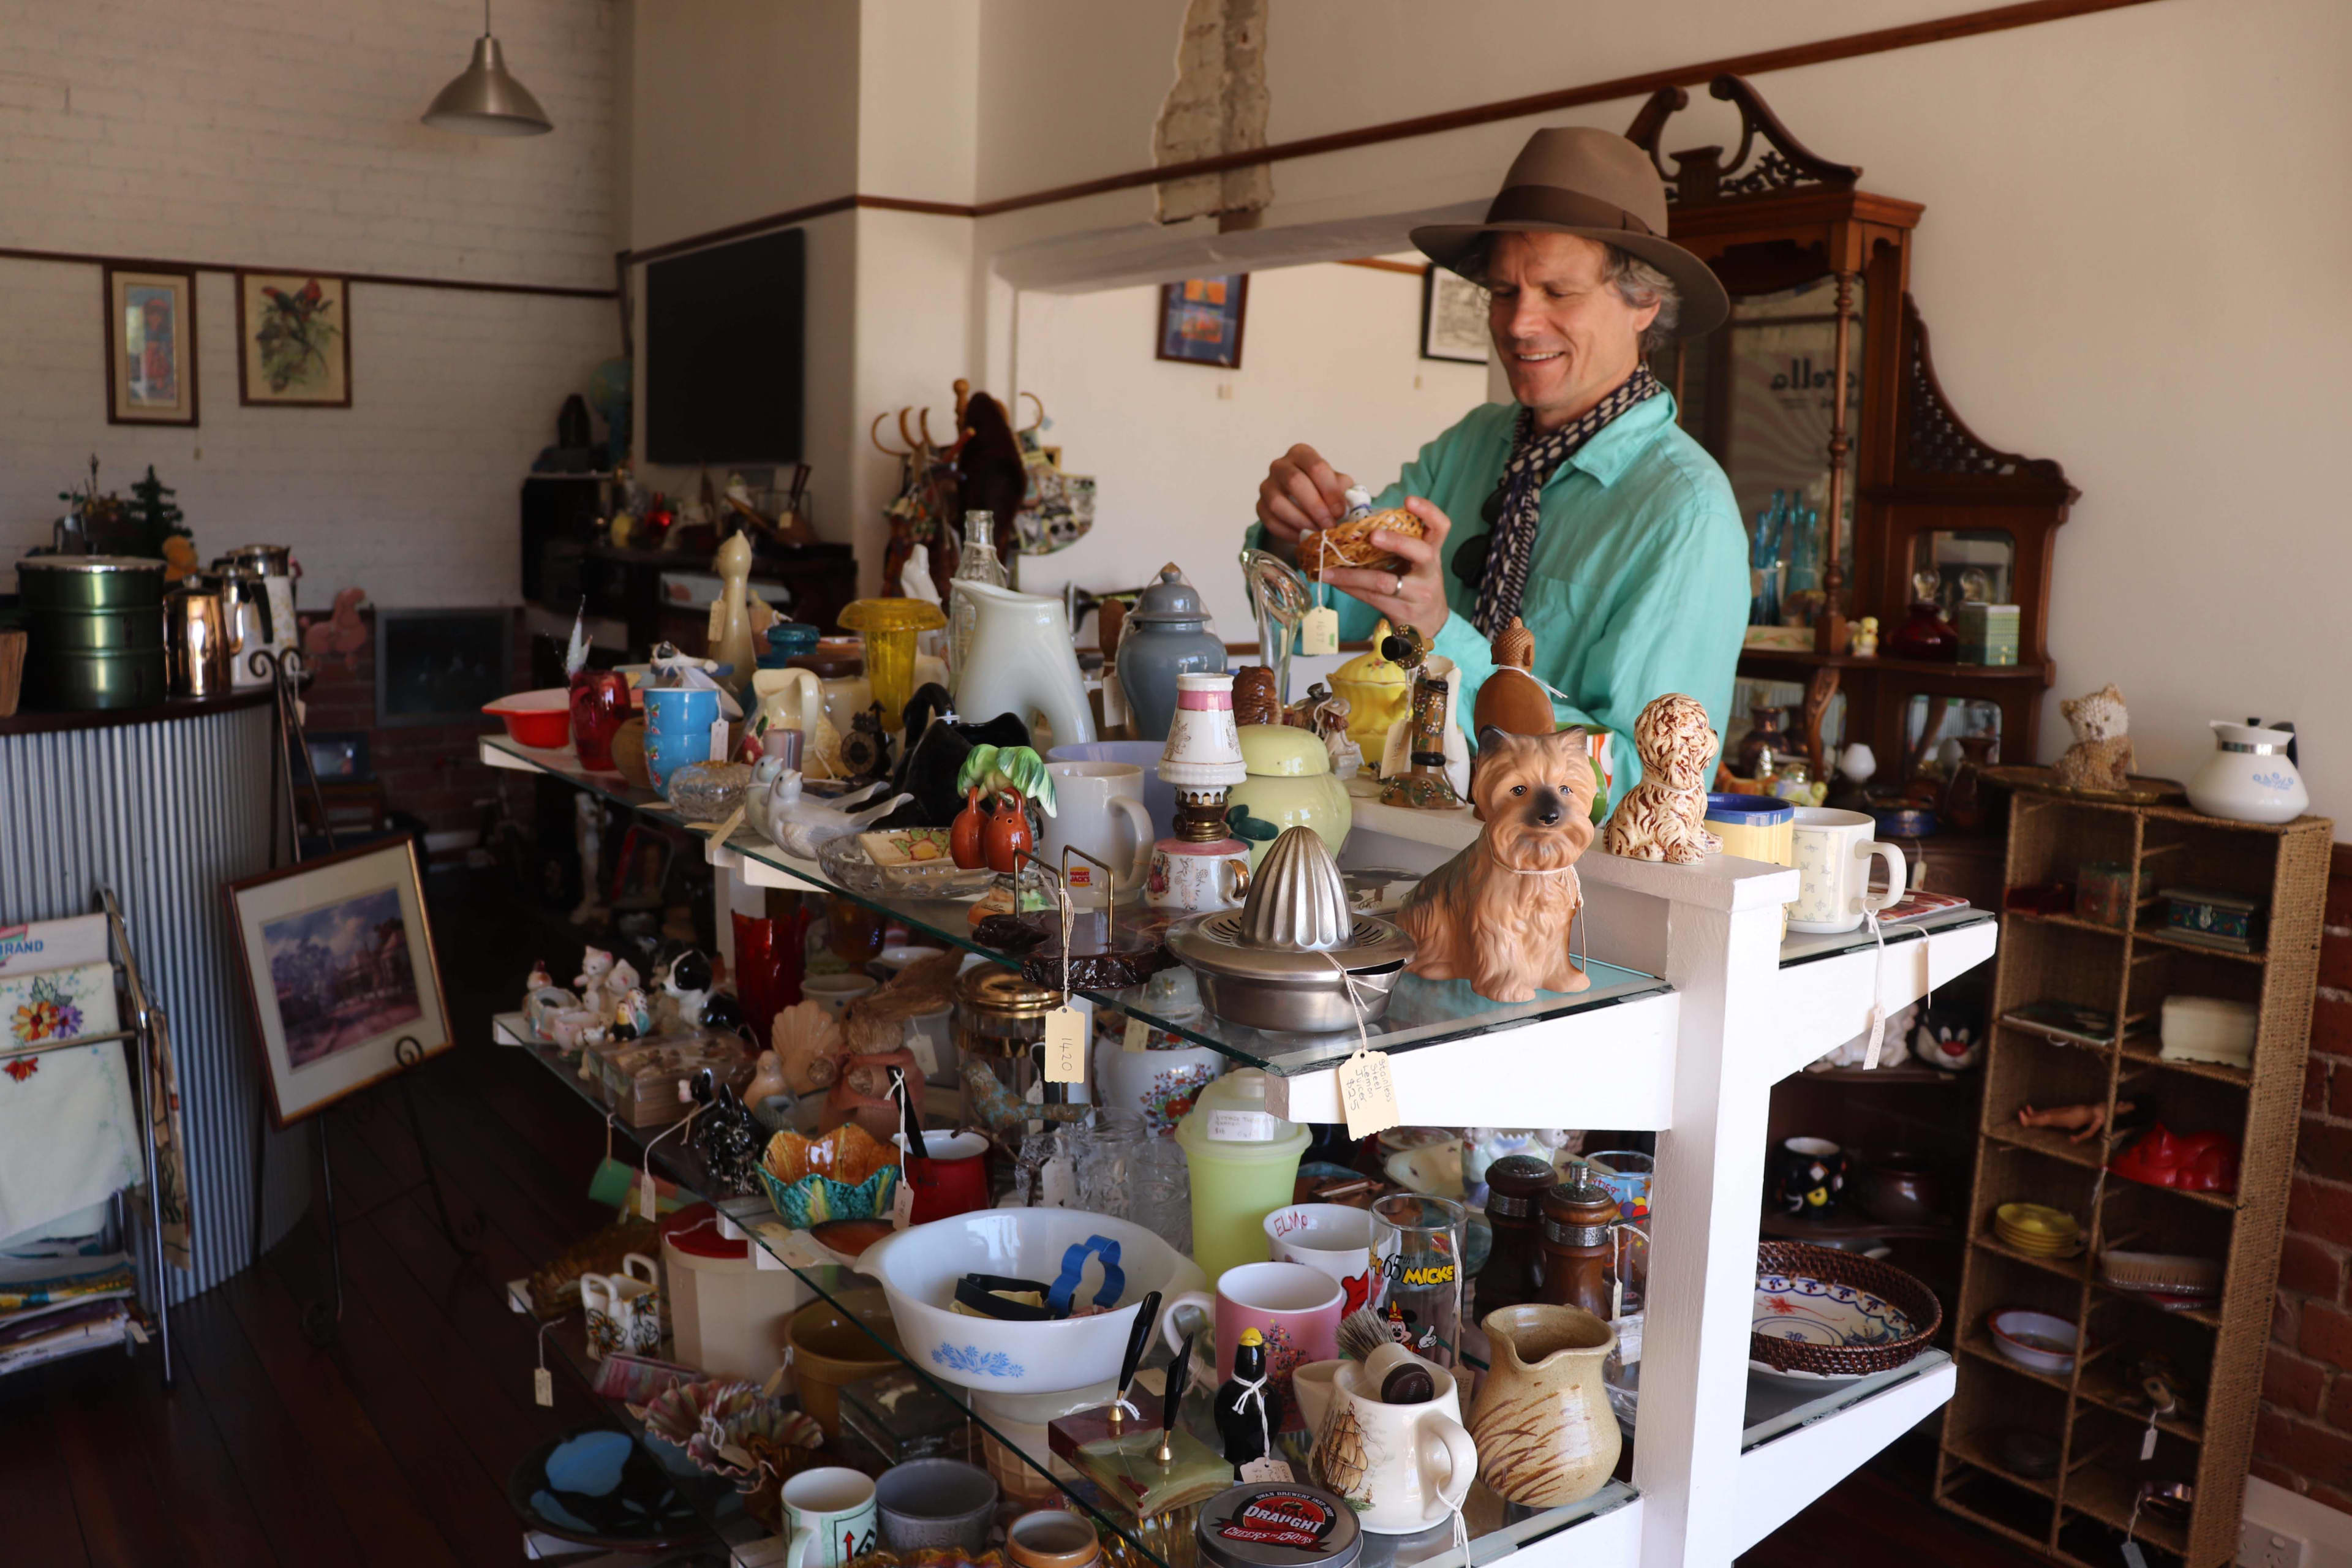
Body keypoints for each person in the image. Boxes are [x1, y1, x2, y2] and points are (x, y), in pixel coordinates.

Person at [1253, 126, 1746, 809]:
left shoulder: (1686, 512)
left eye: (1558, 291)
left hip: (1572, 897)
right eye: (1504, 291)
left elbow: (1648, 785)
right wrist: (1298, 533)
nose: (1519, 323)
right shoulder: (1475, 445)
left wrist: (1443, 636)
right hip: (1409, 842)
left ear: (1645, 305)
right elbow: (1329, 608)